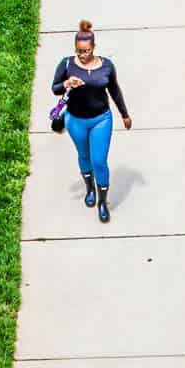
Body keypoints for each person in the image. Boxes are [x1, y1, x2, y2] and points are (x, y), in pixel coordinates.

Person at [51, 19, 132, 223]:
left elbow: (114, 89)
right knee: (84, 155)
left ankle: (102, 202)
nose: (82, 55)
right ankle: (89, 189)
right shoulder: (67, 64)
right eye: (79, 51)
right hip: (75, 120)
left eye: (86, 51)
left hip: (100, 119)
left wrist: (124, 114)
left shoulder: (106, 66)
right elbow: (55, 88)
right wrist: (67, 83)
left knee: (99, 161)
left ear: (93, 47)